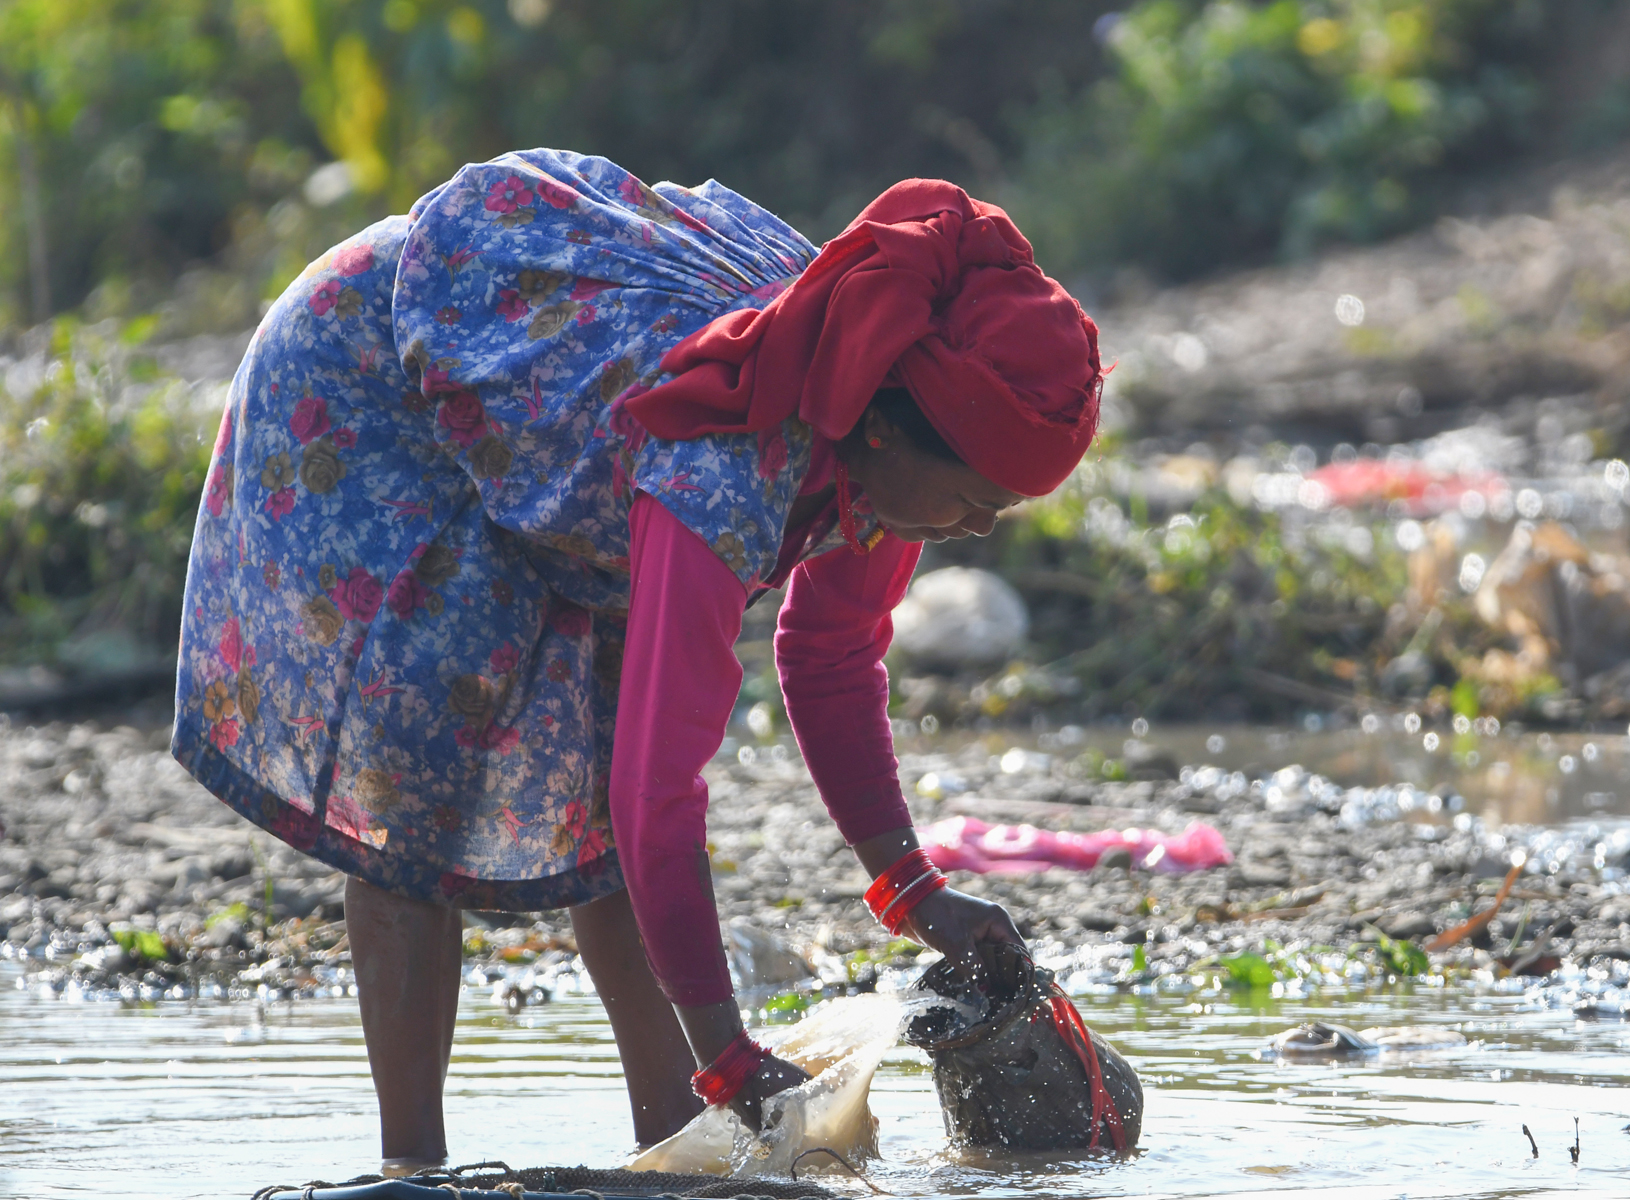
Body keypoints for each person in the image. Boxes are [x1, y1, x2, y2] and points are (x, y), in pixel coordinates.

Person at [170, 148, 1102, 1171]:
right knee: (416, 787)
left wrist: (917, 894)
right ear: (878, 430)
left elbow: (830, 662)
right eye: (972, 501)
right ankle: (414, 1169)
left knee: (603, 753)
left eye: (998, 510)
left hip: (576, 426)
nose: (975, 531)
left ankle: (671, 1132)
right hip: (384, 369)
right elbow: (658, 794)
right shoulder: (725, 463)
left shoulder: (883, 428)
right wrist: (734, 1057)